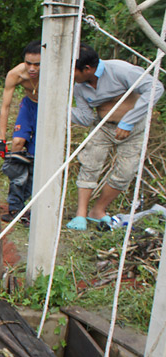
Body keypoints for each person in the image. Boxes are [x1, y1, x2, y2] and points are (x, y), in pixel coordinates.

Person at [67, 43, 164, 230]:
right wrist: (58, 108)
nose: (72, 76)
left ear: (87, 69)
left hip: (133, 129)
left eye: (74, 71)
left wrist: (128, 121)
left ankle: (98, 211)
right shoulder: (80, 87)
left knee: (125, 172)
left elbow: (155, 88)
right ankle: (80, 215)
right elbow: (86, 118)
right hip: (103, 128)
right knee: (90, 165)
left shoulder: (120, 70)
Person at [0, 40, 41, 223]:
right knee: (17, 146)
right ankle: (15, 206)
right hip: (28, 107)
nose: (32, 68)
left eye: (37, 64)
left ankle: (33, 205)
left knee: (36, 156)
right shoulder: (16, 74)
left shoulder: (53, 73)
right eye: (28, 63)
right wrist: (1, 139)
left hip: (46, 110)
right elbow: (5, 107)